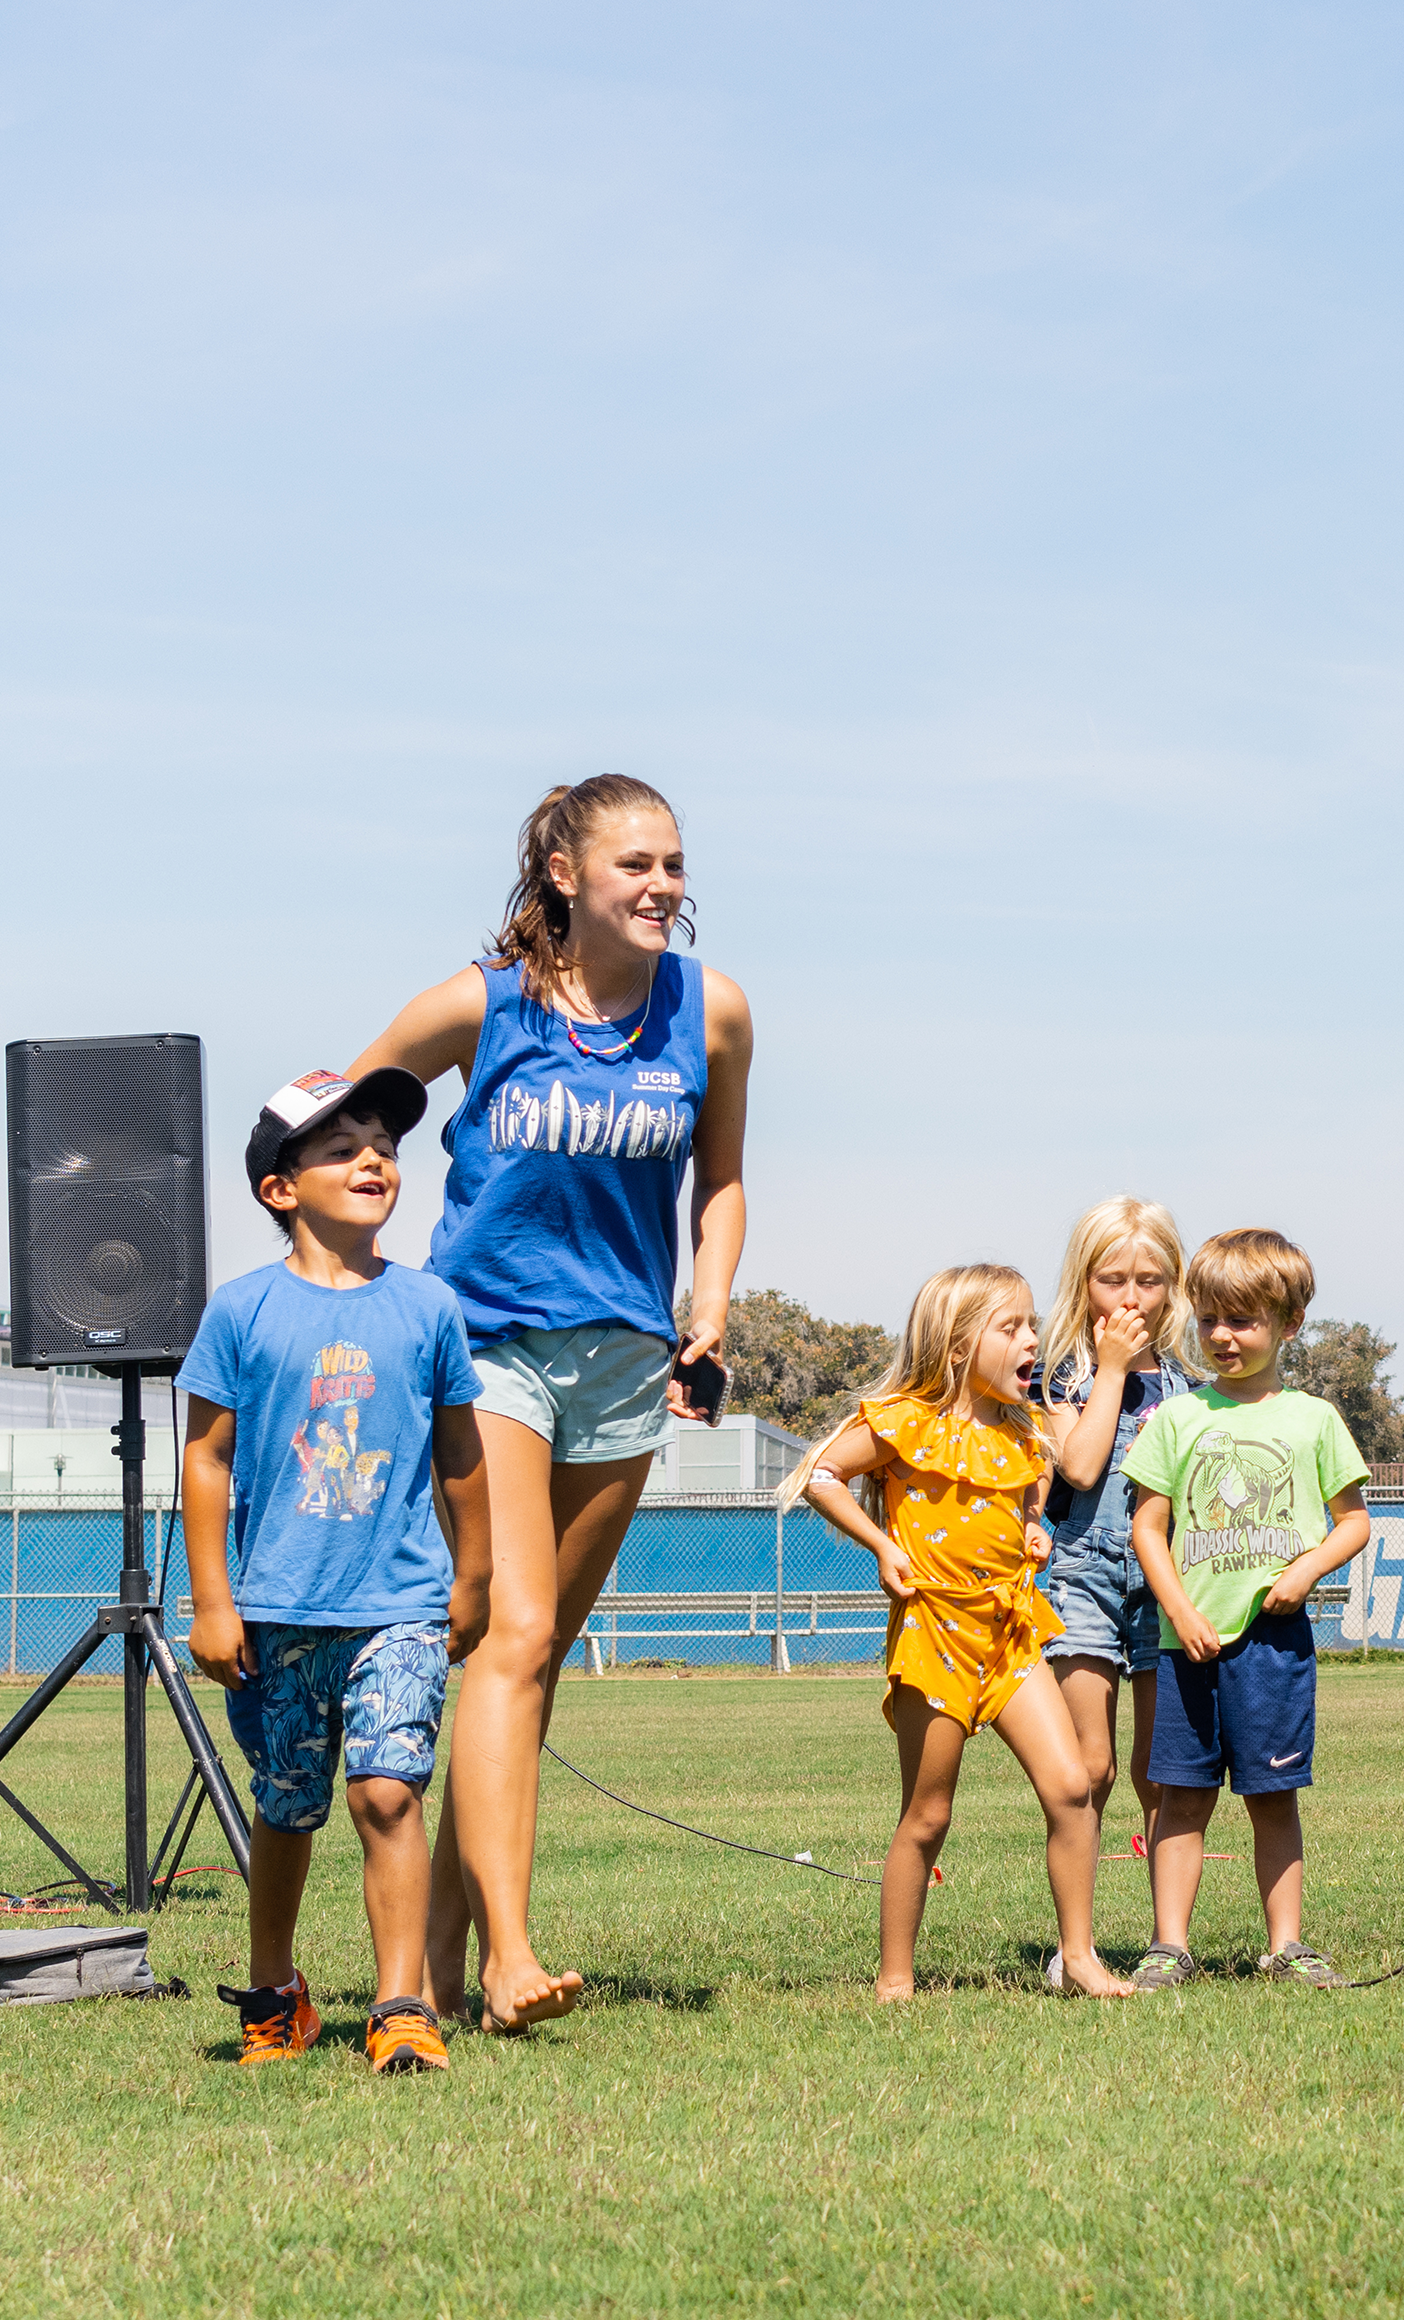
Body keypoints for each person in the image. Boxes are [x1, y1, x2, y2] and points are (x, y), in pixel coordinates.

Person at [352, 775, 754, 2035]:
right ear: (566, 874)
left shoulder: (715, 1011)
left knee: (529, 1667)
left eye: (675, 864)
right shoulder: (484, 1002)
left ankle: (451, 1944)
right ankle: (514, 1955)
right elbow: (347, 1115)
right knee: (510, 1635)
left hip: (628, 1362)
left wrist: (713, 1297)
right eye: (635, 862)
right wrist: (358, 1259)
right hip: (487, 1349)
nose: (662, 885)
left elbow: (723, 1179)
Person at [178, 1067, 492, 2075]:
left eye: (386, 1148)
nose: (373, 1160)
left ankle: (403, 2005)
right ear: (280, 1187)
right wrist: (214, 1601)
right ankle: (277, 1994)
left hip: (398, 1603)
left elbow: (461, 1452)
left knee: (388, 1792)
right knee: (286, 1804)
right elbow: (207, 1459)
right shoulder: (241, 1311)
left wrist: (474, 1574)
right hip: (274, 1611)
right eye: (341, 1147)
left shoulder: (429, 1306)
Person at [785, 1265, 1129, 1999]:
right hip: (935, 1634)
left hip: (1010, 1634)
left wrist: (1034, 1532)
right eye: (1012, 1328)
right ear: (956, 1345)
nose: (1032, 1340)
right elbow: (819, 1474)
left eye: (1032, 1324)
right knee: (929, 1811)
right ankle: (896, 1978)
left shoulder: (1026, 1432)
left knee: (1072, 1787)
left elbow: (1030, 1500)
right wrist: (883, 1545)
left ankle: (1079, 1959)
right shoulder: (905, 1418)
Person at [1123, 1229, 1374, 1990]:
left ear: (1290, 1323)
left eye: (1244, 1321)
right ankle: (1170, 1945)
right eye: (1209, 1320)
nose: (1223, 1337)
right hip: (1187, 1645)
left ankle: (1286, 1946)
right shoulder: (1174, 1418)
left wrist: (1306, 1568)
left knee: (1273, 1797)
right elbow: (1147, 1527)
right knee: (1181, 1797)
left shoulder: (1315, 1419)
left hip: (1275, 1645)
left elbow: (1355, 1521)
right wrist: (1179, 1611)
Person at [1035, 1197, 1204, 1851]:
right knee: (1089, 1768)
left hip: (1166, 1575)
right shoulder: (1061, 1377)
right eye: (1112, 1280)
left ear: (1174, 1287)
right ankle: (1073, 1946)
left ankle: (1166, 1943)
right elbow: (1077, 1468)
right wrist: (1108, 1370)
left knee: (1162, 1774)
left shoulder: (1187, 1385)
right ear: (1083, 1280)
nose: (1131, 1297)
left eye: (1149, 1281)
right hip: (1086, 1571)